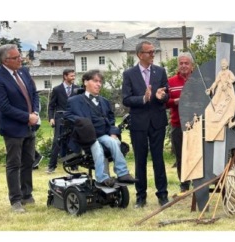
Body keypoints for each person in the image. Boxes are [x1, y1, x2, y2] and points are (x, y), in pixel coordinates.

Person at [64, 69, 137, 187]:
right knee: (97, 147)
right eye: (95, 81)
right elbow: (67, 116)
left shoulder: (104, 102)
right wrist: (81, 121)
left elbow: (111, 120)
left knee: (113, 142)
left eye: (100, 82)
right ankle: (101, 178)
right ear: (86, 82)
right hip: (86, 137)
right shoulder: (74, 101)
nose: (99, 84)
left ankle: (122, 173)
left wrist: (113, 133)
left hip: (103, 134)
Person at [0, 44, 40, 213]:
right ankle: (15, 200)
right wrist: (27, 117)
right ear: (5, 60)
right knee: (14, 164)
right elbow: (4, 107)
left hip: (30, 126)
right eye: (16, 57)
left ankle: (27, 195)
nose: (20, 59)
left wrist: (35, 111)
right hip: (13, 128)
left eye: (20, 56)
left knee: (28, 162)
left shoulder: (24, 72)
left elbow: (34, 93)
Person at [122, 40, 169, 208]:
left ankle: (162, 195)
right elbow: (126, 99)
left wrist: (160, 96)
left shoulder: (160, 71)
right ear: (140, 55)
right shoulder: (129, 74)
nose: (153, 54)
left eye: (154, 51)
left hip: (157, 121)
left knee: (158, 159)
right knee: (140, 160)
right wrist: (143, 98)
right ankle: (140, 197)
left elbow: (167, 95)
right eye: (149, 52)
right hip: (139, 124)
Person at [166, 52, 193, 194]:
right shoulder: (170, 82)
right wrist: (175, 101)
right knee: (181, 156)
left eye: (186, 63)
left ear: (191, 65)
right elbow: (164, 102)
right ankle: (184, 184)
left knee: (197, 155)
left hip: (197, 124)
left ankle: (199, 182)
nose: (183, 66)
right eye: (181, 63)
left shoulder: (199, 79)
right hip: (178, 124)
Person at [47, 69, 78, 173]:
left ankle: (73, 165)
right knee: (57, 141)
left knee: (73, 141)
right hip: (60, 118)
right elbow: (51, 106)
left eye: (74, 76)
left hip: (73, 118)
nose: (73, 78)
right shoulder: (57, 89)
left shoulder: (77, 89)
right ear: (65, 76)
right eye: (71, 76)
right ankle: (51, 166)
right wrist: (51, 118)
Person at [205, 58, 235, 141]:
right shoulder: (220, 73)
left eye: (224, 63)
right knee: (221, 106)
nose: (223, 65)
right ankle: (218, 121)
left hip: (228, 90)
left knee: (233, 103)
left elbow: (234, 79)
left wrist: (227, 82)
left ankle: (230, 121)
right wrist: (210, 88)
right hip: (221, 92)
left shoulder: (229, 72)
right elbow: (215, 82)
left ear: (227, 65)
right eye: (222, 63)